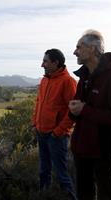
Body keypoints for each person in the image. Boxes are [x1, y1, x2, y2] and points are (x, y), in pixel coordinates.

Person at [68, 30, 111, 200]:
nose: (75, 51)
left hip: (105, 153)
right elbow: (79, 111)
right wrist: (73, 110)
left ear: (92, 49)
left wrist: (84, 110)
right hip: (82, 151)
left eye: (78, 47)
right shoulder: (84, 77)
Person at [32, 48, 77, 199]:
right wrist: (35, 123)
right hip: (41, 132)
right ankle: (44, 195)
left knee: (61, 174)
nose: (42, 65)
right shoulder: (44, 80)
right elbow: (38, 103)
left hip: (56, 136)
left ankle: (71, 196)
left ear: (56, 62)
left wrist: (58, 132)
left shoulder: (68, 81)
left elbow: (73, 112)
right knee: (44, 170)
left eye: (45, 61)